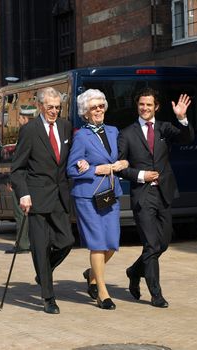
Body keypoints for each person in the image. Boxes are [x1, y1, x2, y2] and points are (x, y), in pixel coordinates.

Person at [118, 88, 194, 308]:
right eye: (142, 104)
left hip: (164, 193)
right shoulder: (127, 134)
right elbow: (120, 166)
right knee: (151, 244)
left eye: (149, 105)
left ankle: (134, 271)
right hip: (143, 195)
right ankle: (156, 294)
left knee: (163, 243)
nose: (145, 108)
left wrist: (181, 118)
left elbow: (186, 138)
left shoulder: (164, 128)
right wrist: (140, 175)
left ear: (156, 107)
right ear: (137, 106)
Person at [11, 87, 76, 314]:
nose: (54, 111)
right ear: (40, 106)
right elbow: (17, 169)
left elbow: (69, 159)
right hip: (37, 198)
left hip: (60, 197)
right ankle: (48, 298)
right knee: (39, 247)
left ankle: (43, 272)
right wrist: (24, 194)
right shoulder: (30, 130)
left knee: (66, 241)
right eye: (50, 107)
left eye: (58, 107)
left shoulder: (66, 127)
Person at [67, 89, 128, 310]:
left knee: (112, 242)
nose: (99, 110)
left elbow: (120, 156)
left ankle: (91, 272)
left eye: (101, 106)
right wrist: (94, 169)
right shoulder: (81, 135)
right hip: (87, 196)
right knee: (98, 244)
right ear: (85, 112)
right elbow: (72, 169)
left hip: (110, 194)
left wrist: (124, 163)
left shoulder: (113, 131)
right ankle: (102, 292)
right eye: (94, 107)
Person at [4, 105, 35, 254]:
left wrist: (12, 180)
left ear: (24, 118)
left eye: (20, 118)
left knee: (20, 212)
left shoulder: (25, 130)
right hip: (34, 179)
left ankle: (22, 243)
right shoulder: (39, 129)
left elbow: (19, 159)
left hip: (23, 179)